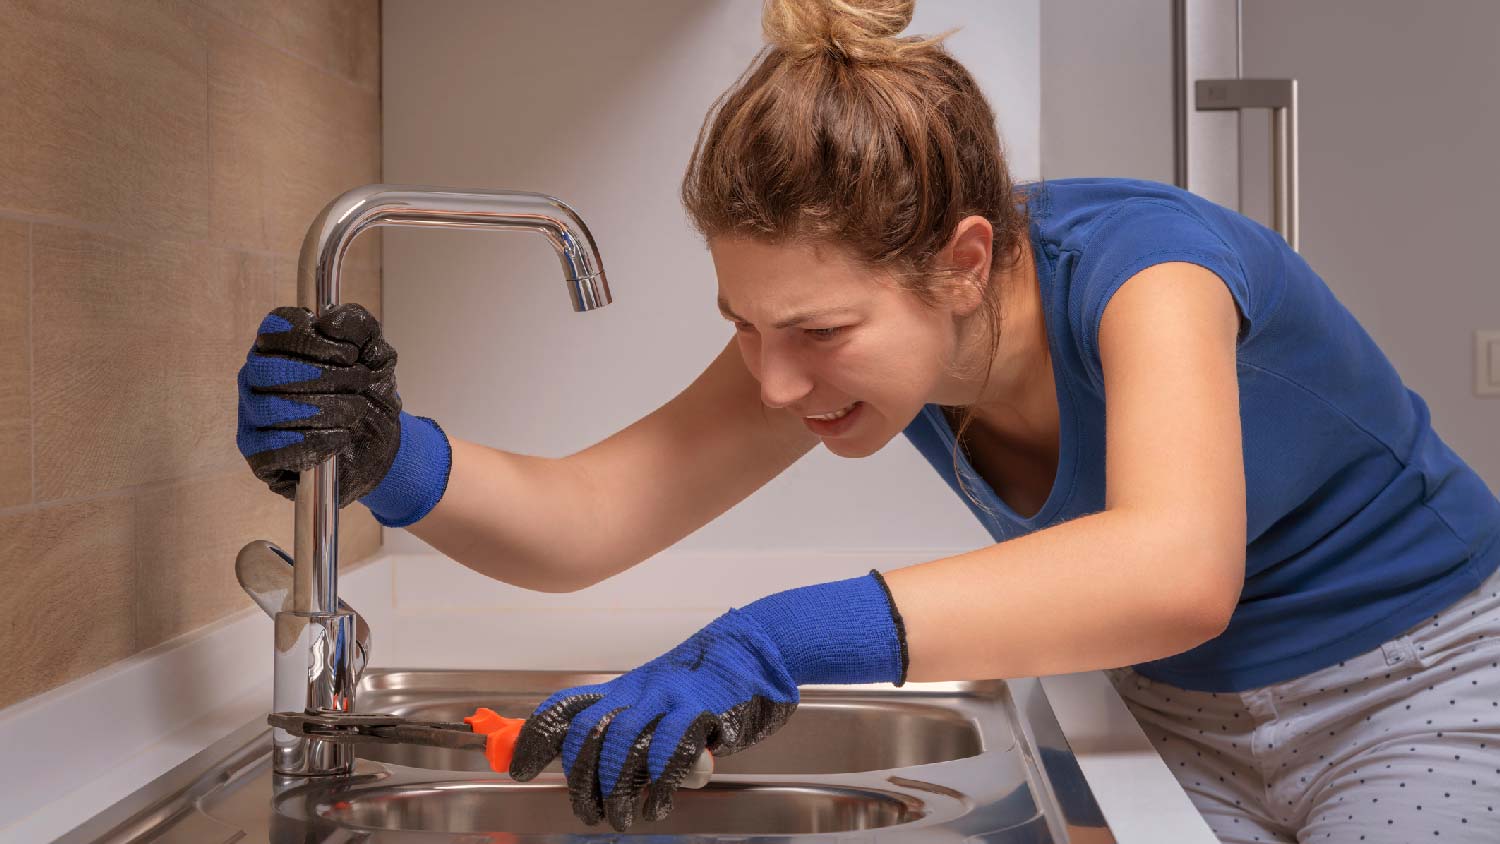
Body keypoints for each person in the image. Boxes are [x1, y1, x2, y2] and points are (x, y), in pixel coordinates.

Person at [235, 1, 1500, 839]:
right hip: (1187, 721)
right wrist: (390, 458)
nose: (776, 382)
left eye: (817, 334)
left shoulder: (1151, 272)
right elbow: (589, 520)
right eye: (746, 324)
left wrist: (779, 635)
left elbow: (1176, 571)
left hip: (1421, 687)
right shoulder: (861, 333)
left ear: (962, 262)